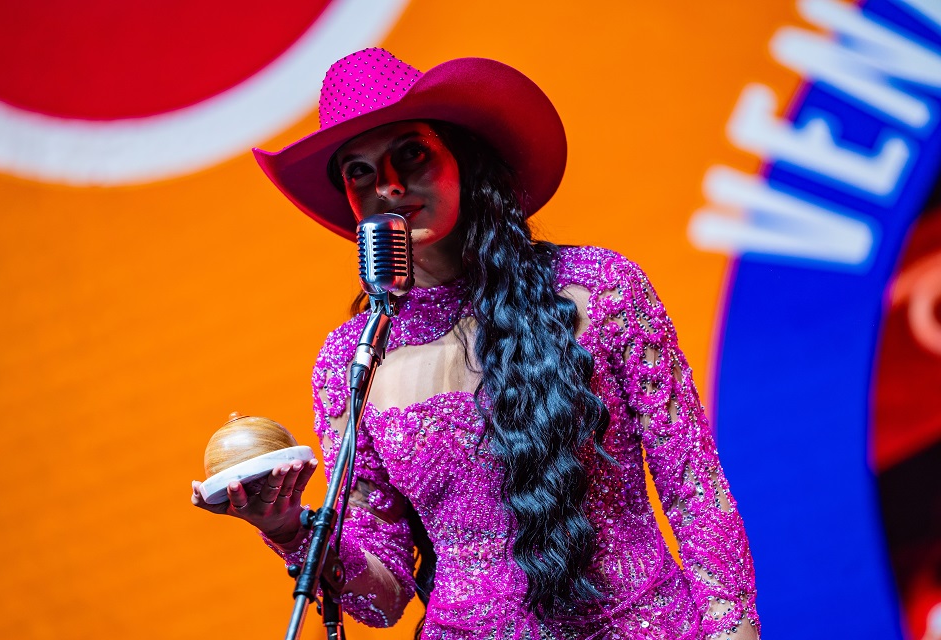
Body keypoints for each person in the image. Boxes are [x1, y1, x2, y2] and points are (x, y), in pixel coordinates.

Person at [191, 48, 760, 640]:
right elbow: (381, 603)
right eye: (358, 171)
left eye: (409, 154)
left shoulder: (598, 289)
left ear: (462, 158)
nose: (386, 185)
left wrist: (733, 629)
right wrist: (289, 529)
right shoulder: (351, 360)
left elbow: (695, 489)